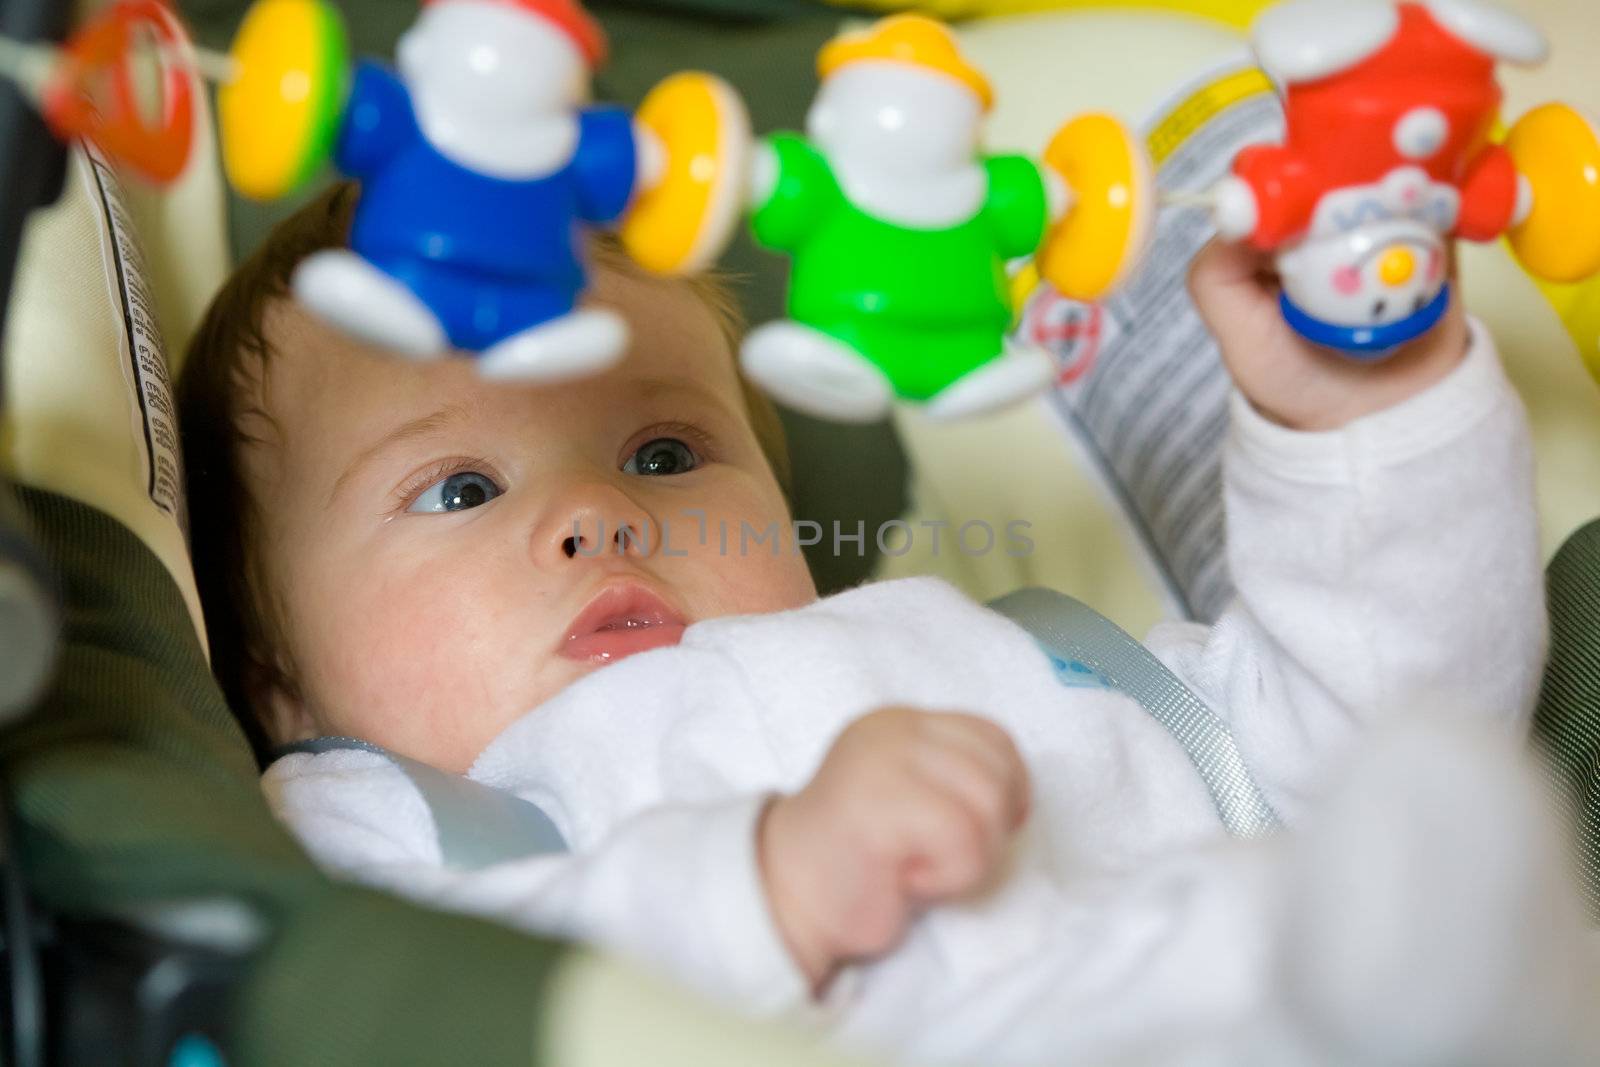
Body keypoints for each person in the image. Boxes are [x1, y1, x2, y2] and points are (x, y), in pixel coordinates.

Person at [177, 183, 1587, 1064]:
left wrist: (1362, 420)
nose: (598, 516)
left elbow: (1386, 721)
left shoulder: (1012, 655)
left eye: (666, 454)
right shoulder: (370, 827)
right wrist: (766, 880)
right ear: (279, 679)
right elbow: (394, 1016)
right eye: (463, 487)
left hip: (1276, 998)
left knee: (1422, 838)